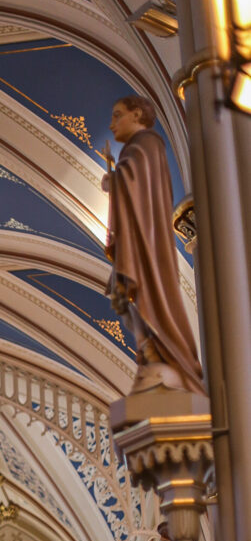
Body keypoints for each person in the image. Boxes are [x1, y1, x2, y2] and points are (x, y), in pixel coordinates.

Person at [102, 95, 203, 395]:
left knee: (143, 300)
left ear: (137, 115)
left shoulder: (148, 143)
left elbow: (137, 185)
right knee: (121, 299)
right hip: (136, 243)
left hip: (147, 246)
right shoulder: (136, 148)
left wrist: (114, 181)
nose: (112, 123)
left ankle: (165, 355)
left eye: (117, 115)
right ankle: (150, 351)